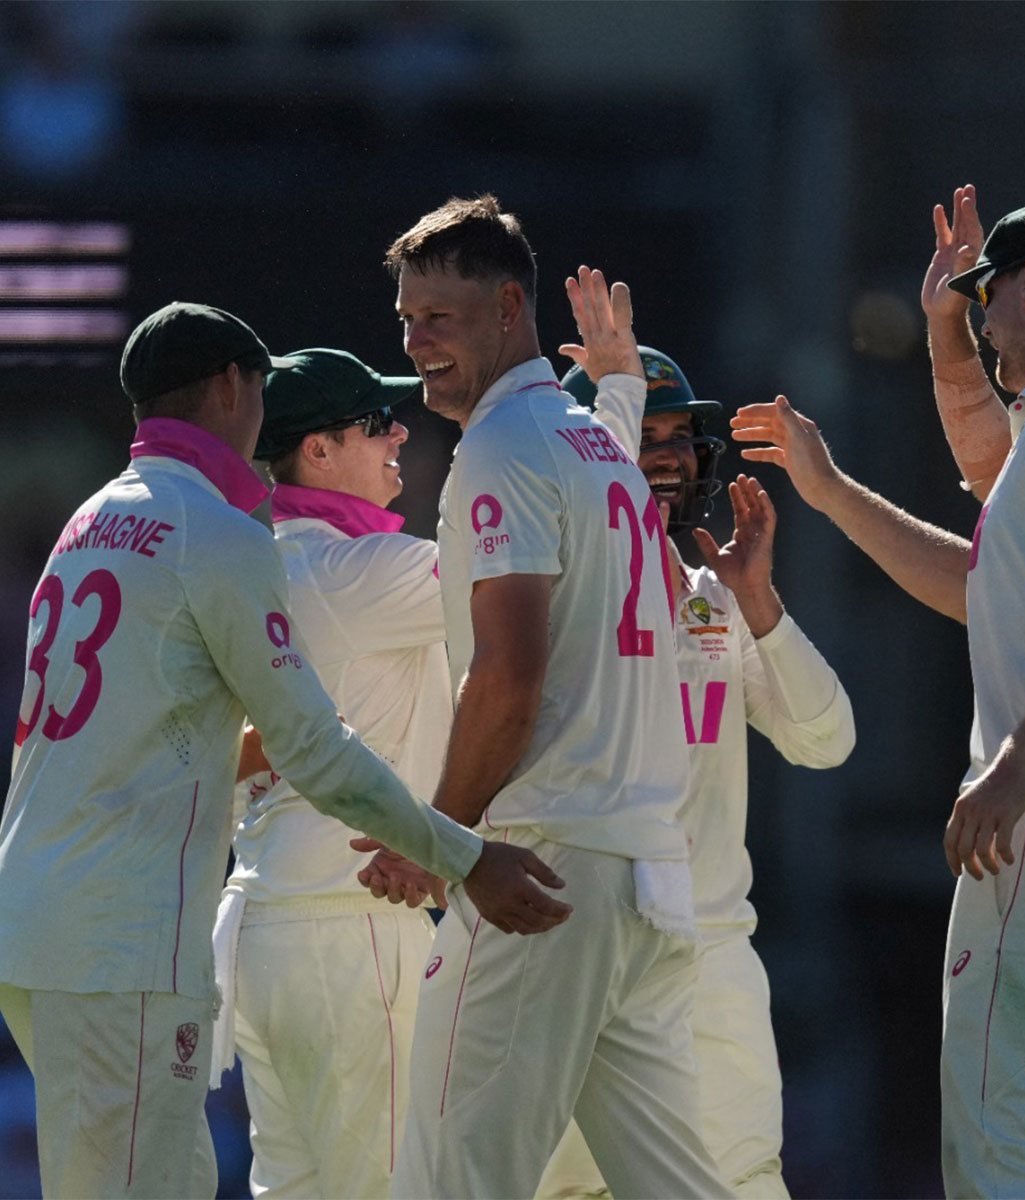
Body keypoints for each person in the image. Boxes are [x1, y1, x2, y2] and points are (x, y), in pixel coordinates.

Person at [0, 302, 557, 1199]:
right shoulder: (219, 537)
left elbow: (197, 743)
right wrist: (463, 855)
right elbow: (319, 751)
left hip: (39, 918)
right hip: (130, 934)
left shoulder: (87, 524)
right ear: (233, 387)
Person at [733, 199, 1025, 1197]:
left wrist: (1017, 758)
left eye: (987, 297)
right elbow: (984, 573)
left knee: (1002, 1136)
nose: (986, 322)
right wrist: (832, 491)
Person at [381, 195, 730, 1198]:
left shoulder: (504, 446)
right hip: (633, 872)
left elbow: (509, 673)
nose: (416, 343)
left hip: (540, 866)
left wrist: (436, 837)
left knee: (449, 1181)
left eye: (437, 319)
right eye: (406, 321)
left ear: (505, 310)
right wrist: (617, 385)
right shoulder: (592, 447)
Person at [539, 283, 855, 1198]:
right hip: (586, 946)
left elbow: (826, 740)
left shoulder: (712, 595)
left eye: (680, 441)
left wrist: (760, 609)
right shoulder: (548, 585)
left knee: (744, 1182)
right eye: (645, 439)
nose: (668, 461)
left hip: (713, 954)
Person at [208, 348, 447, 1198]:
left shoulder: (247, 565)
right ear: (316, 450)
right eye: (376, 423)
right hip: (353, 922)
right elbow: (539, 581)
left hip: (262, 927)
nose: (400, 434)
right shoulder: (365, 570)